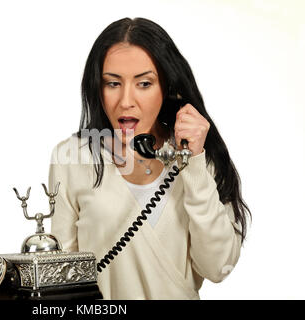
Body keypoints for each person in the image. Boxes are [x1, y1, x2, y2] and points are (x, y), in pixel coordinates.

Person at [48, 17, 251, 300]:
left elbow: (217, 268)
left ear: (168, 88)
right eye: (112, 83)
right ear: (97, 87)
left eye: (144, 83)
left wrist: (192, 164)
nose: (126, 101)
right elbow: (61, 279)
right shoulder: (73, 157)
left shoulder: (197, 156)